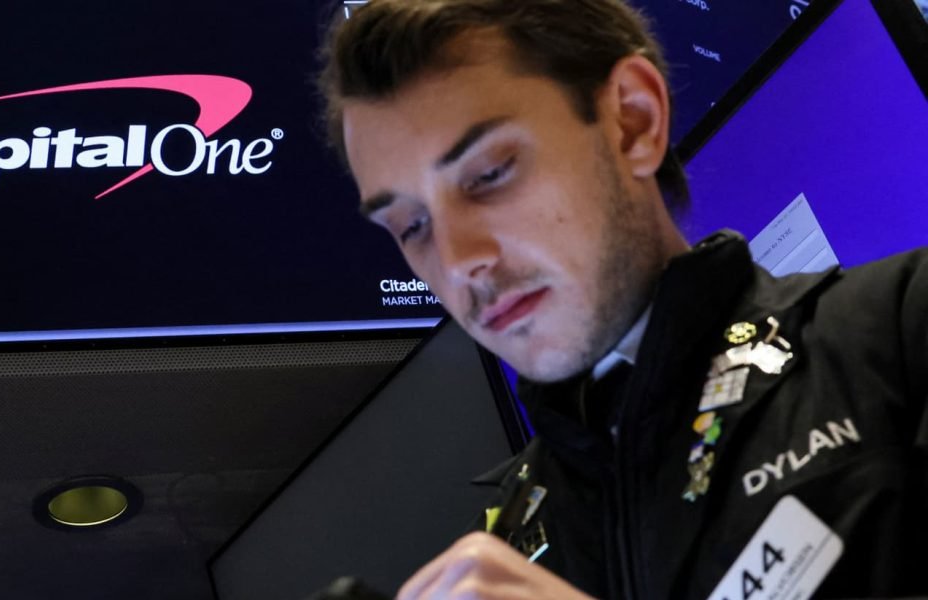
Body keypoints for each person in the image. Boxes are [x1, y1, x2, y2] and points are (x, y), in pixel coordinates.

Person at [318, 0, 928, 598]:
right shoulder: (500, 553)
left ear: (633, 122)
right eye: (411, 226)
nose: (457, 262)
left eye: (488, 174)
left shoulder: (898, 328)